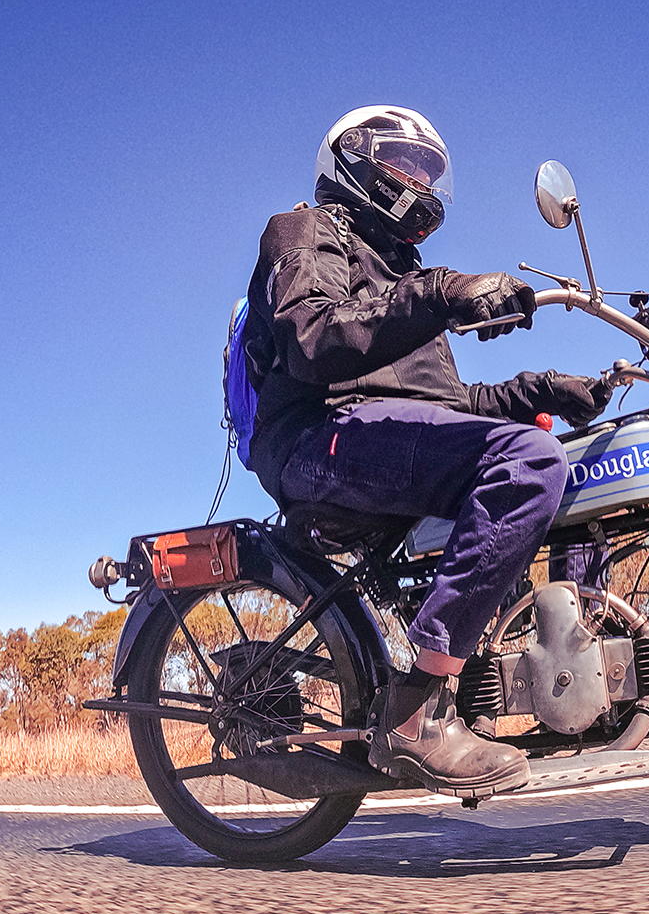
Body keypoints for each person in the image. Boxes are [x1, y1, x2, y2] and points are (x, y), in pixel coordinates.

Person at [242, 105, 616, 798]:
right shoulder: (303, 231)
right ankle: (417, 710)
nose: (419, 182)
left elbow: (445, 410)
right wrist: (444, 293)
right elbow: (315, 337)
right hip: (313, 438)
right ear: (352, 161)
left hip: (370, 435)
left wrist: (544, 389)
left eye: (428, 173)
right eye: (404, 166)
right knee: (530, 465)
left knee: (541, 447)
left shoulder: (399, 269)